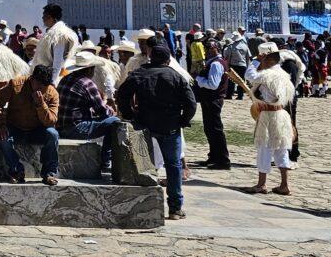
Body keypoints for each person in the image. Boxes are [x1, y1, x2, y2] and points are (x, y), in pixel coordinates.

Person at [116, 44, 197, 220]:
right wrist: (183, 121)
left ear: (151, 57)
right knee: (173, 166)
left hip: (143, 124)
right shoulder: (176, 76)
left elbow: (121, 94)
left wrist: (130, 114)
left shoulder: (139, 73)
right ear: (168, 60)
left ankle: (145, 206)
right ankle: (175, 208)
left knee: (143, 165)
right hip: (170, 126)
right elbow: (191, 103)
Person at [0, 64, 60, 185]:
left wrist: (41, 105)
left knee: (53, 134)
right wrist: (1, 124)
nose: (41, 89)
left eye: (44, 86)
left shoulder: (52, 93)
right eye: (38, 84)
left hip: (38, 130)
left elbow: (51, 121)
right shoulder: (16, 84)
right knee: (2, 137)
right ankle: (17, 171)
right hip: (15, 127)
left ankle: (49, 173)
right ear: (32, 79)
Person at [57, 52, 121, 173]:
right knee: (115, 122)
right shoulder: (87, 83)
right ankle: (106, 161)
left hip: (61, 127)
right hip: (76, 128)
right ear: (89, 69)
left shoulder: (65, 79)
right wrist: (112, 110)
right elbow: (103, 112)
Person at [244, 42, 294, 195]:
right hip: (282, 115)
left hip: (269, 115)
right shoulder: (283, 73)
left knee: (264, 148)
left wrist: (255, 61)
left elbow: (249, 75)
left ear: (266, 59)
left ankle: (261, 184)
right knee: (281, 148)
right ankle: (284, 184)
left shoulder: (267, 75)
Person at [192, 39, 231, 170]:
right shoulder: (213, 63)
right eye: (206, 47)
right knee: (209, 129)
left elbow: (213, 85)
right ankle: (213, 156)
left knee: (215, 129)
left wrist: (198, 78)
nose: (206, 50)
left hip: (213, 99)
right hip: (209, 99)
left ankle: (223, 159)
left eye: (209, 48)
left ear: (216, 49)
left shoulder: (216, 64)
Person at [32, 4, 79, 85]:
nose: (42, 18)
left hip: (50, 79)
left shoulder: (59, 35)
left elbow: (58, 61)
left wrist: (52, 82)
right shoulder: (53, 33)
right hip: (46, 77)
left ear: (50, 17)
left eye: (44, 16)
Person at [223, 28, 251, 99]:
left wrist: (228, 66)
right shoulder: (245, 46)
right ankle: (240, 96)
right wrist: (247, 66)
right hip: (243, 65)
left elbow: (228, 57)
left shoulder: (231, 46)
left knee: (231, 81)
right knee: (241, 81)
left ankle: (229, 95)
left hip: (233, 65)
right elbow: (248, 57)